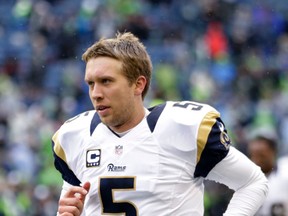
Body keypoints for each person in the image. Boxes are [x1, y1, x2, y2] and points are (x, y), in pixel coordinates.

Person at [52, 32, 268, 216]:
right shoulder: (75, 136)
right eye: (91, 84)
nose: (96, 94)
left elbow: (252, 182)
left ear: (138, 84)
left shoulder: (181, 128)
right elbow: (70, 204)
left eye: (106, 81)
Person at [247, 133, 288, 216]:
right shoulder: (245, 181)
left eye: (261, 155)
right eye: (253, 155)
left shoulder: (285, 171)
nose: (257, 160)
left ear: (273, 151)